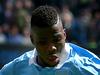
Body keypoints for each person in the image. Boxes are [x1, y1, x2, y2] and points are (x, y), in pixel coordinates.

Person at [0, 6, 100, 75]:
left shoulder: (90, 68)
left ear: (64, 35)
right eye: (43, 42)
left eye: (56, 39)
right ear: (32, 40)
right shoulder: (14, 70)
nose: (52, 48)